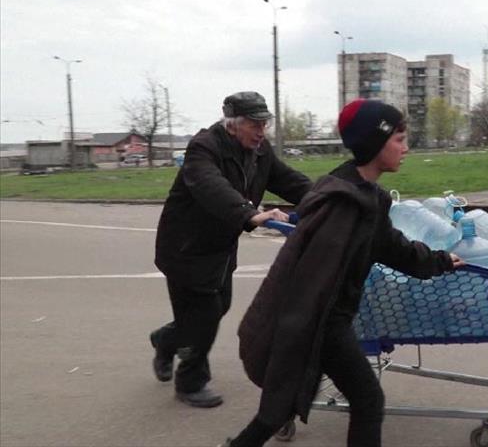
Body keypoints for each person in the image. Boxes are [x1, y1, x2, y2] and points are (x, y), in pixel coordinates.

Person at [223, 99, 463, 447]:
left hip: (328, 319)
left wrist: (440, 260)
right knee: (367, 399)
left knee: (277, 408)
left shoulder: (368, 197)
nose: (406, 148)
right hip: (321, 322)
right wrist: (296, 337)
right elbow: (304, 282)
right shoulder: (342, 205)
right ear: (375, 142)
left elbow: (393, 247)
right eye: (398, 139)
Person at [149, 91, 313, 408]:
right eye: (255, 124)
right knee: (205, 314)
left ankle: (166, 340)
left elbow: (290, 181)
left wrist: (329, 197)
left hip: (220, 248)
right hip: (185, 248)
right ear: (232, 124)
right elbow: (212, 187)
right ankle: (190, 381)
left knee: (218, 307)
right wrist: (249, 214)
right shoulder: (203, 148)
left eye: (265, 123)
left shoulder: (259, 151)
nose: (261, 130)